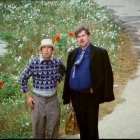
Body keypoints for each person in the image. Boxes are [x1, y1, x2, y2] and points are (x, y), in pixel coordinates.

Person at [62, 25, 115, 139]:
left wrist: (100, 91)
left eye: (83, 35)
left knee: (91, 129)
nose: (81, 38)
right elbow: (68, 75)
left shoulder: (100, 53)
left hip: (91, 95)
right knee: (82, 127)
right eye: (78, 36)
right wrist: (69, 96)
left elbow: (107, 74)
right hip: (76, 97)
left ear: (88, 36)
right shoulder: (72, 54)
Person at [19, 39, 65, 139]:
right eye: (44, 48)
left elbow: (63, 71)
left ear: (52, 50)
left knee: (53, 132)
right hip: (38, 101)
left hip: (53, 101)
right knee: (38, 132)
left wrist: (58, 80)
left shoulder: (57, 62)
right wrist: (28, 97)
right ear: (41, 50)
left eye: (49, 47)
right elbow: (22, 78)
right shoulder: (34, 63)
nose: (46, 50)